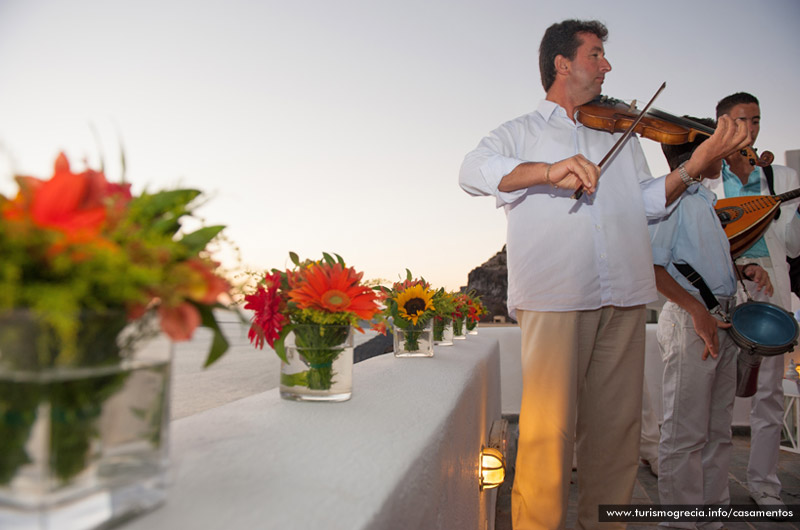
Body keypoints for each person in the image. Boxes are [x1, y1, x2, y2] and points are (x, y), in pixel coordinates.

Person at [458, 19, 750, 529]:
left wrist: (695, 163)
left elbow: (646, 203)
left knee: (617, 435)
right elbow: (472, 171)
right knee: (549, 437)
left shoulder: (622, 132)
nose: (607, 66)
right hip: (556, 298)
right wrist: (548, 170)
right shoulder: (521, 131)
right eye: (596, 55)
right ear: (562, 63)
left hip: (625, 295)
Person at [650, 124, 772, 529]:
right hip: (693, 321)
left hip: (717, 318)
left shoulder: (703, 201)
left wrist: (743, 269)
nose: (725, 154)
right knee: (685, 434)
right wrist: (696, 311)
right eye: (718, 147)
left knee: (718, 431)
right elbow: (650, 267)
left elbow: (698, 263)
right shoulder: (675, 201)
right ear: (695, 156)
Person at [703, 92, 800, 510]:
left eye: (756, 120)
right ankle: (715, 492)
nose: (750, 129)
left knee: (769, 394)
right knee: (718, 392)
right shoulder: (705, 176)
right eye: (741, 120)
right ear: (722, 124)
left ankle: (765, 486)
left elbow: (792, 246)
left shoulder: (782, 177)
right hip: (723, 287)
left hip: (771, 288)